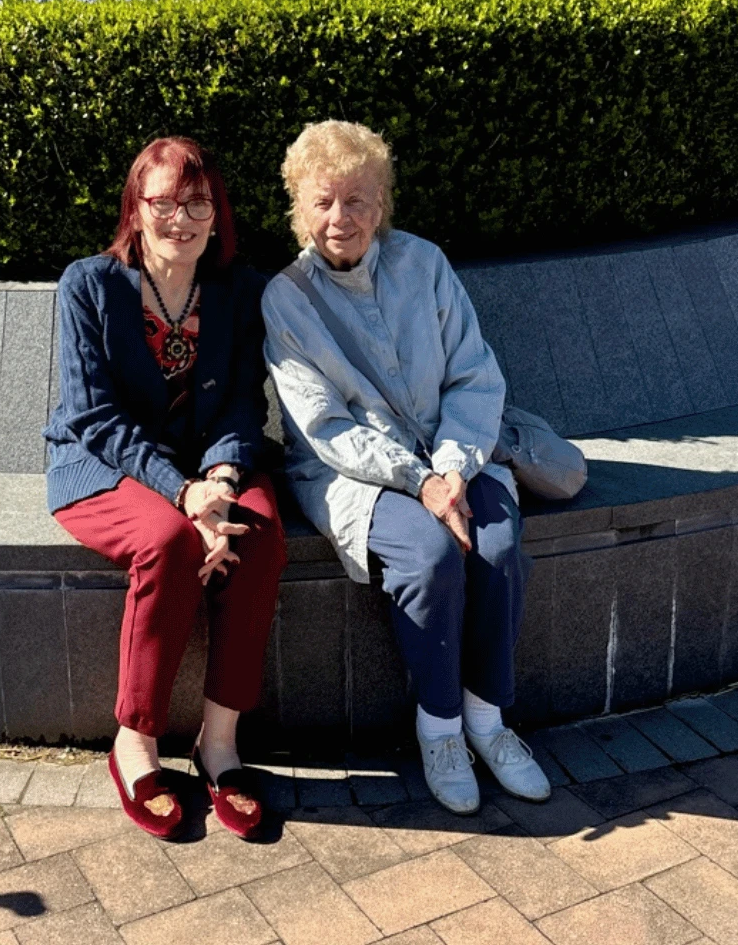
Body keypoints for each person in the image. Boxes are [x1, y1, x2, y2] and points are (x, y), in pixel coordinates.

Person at [262, 120, 549, 814]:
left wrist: (450, 468)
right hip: (352, 474)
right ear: (300, 209)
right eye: (324, 202)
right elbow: (324, 425)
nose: (341, 218)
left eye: (357, 200)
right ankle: (441, 728)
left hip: (453, 450)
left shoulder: (425, 265)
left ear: (381, 204)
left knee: (500, 545)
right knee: (429, 559)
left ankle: (488, 722)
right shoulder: (286, 299)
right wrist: (419, 481)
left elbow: (475, 376)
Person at [44, 136, 286, 840]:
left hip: (212, 465)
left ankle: (219, 742)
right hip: (105, 466)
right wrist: (184, 496)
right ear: (135, 207)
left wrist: (220, 479)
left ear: (217, 213)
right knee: (167, 542)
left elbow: (245, 401)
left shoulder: (243, 290)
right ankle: (136, 743)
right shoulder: (89, 284)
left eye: (197, 202)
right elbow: (93, 414)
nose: (180, 218)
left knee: (260, 536)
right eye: (163, 203)